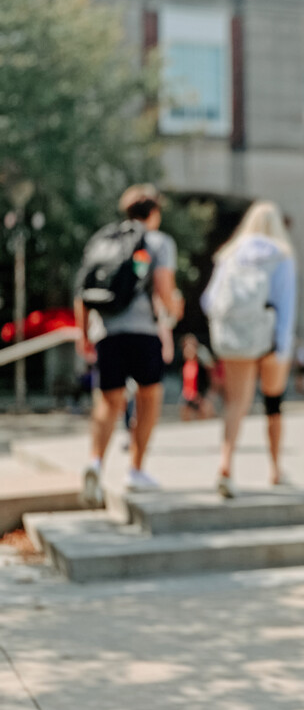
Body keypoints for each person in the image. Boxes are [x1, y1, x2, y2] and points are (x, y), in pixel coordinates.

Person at [74, 183, 183, 505]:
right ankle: (135, 469)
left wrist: (84, 335)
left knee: (108, 402)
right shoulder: (158, 241)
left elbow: (82, 291)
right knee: (149, 397)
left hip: (105, 331)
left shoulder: (102, 240)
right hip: (143, 331)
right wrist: (175, 309)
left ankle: (95, 461)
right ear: (154, 213)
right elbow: (164, 289)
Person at [201, 200, 296, 497]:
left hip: (237, 338)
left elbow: (209, 300)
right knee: (273, 404)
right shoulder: (282, 256)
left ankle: (226, 465)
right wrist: (282, 345)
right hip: (269, 338)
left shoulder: (230, 255)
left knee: (236, 403)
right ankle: (275, 468)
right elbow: (286, 305)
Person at [179, 333, 215, 421]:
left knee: (204, 415)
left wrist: (201, 395)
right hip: (188, 395)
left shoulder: (201, 365)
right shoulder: (184, 365)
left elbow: (207, 379)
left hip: (200, 394)